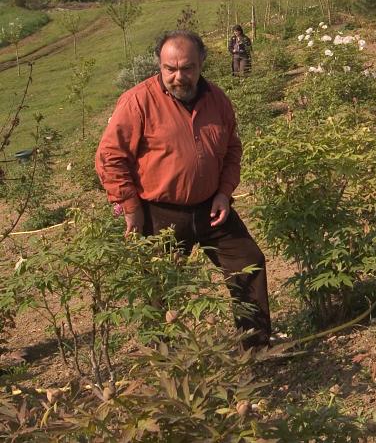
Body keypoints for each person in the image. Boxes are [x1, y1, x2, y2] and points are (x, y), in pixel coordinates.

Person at [95, 30, 271, 348]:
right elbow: (110, 156)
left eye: (186, 68)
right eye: (170, 69)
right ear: (160, 66)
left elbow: (232, 149)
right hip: (158, 214)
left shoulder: (217, 100)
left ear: (201, 63)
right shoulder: (138, 101)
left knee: (249, 261)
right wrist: (130, 207)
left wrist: (223, 193)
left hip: (211, 210)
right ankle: (165, 360)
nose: (178, 77)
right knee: (157, 288)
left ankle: (256, 346)